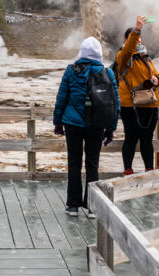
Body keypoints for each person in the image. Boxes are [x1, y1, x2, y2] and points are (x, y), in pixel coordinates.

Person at [54, 37, 119, 218]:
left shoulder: (71, 70)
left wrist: (57, 122)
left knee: (74, 163)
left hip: (73, 123)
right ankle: (92, 207)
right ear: (98, 53)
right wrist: (111, 127)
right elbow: (115, 103)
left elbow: (61, 98)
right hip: (96, 124)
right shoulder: (107, 72)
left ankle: (72, 206)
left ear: (82, 52)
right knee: (93, 163)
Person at [112, 15, 159, 176]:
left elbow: (158, 76)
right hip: (131, 105)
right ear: (128, 39)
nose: (139, 41)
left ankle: (149, 170)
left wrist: (156, 80)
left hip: (150, 104)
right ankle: (128, 170)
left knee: (147, 140)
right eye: (135, 38)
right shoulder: (123, 57)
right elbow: (129, 47)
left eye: (140, 38)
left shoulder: (145, 57)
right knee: (131, 138)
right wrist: (137, 29)